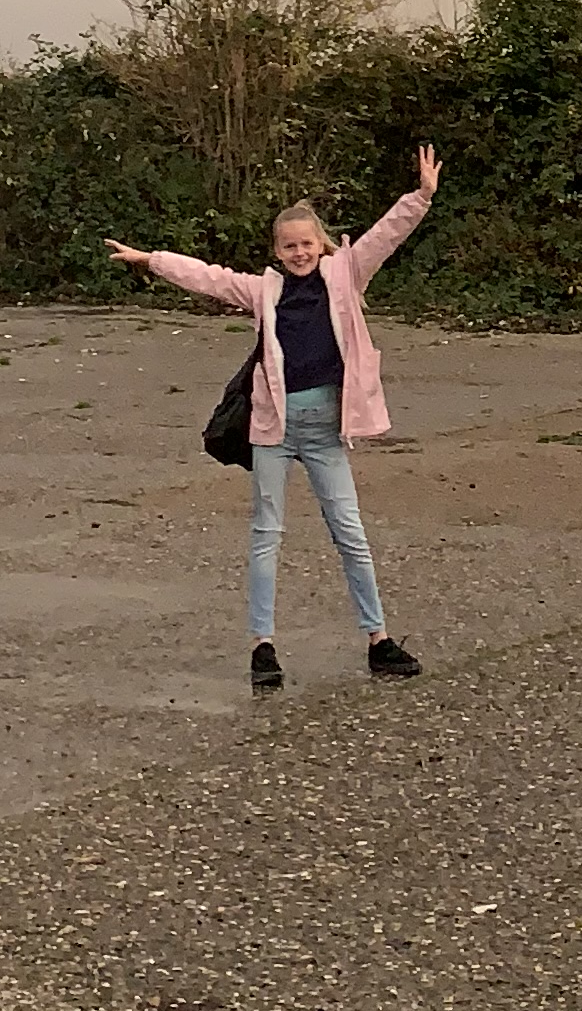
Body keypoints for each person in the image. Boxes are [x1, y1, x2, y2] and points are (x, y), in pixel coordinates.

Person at [107, 146, 438, 692]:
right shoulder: (265, 290)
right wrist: (151, 260)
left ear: (321, 243)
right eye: (289, 246)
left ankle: (378, 639)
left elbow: (387, 233)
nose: (300, 252)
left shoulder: (347, 275)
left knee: (350, 533)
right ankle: (263, 646)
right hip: (273, 430)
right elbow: (209, 278)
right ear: (278, 252)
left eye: (307, 243)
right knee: (267, 534)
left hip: (327, 428)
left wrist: (421, 196)